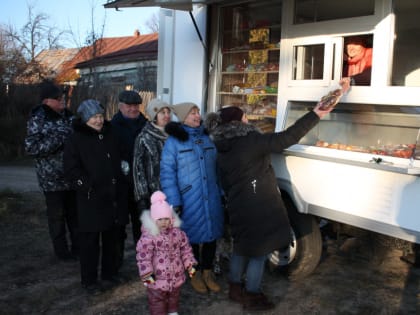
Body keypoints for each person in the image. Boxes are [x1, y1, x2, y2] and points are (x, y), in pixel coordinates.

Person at [205, 83, 347, 310]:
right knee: (259, 253)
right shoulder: (250, 141)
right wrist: (316, 114)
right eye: (244, 118)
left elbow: (224, 182)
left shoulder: (221, 146)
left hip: (238, 204)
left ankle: (234, 288)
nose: (248, 120)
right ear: (237, 122)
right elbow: (287, 138)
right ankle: (252, 295)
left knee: (241, 246)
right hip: (258, 204)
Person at [64, 99, 129, 292]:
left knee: (112, 238)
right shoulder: (76, 139)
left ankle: (109, 274)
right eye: (94, 117)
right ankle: (89, 280)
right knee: (90, 242)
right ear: (84, 119)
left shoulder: (111, 134)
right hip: (91, 199)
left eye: (100, 116)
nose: (98, 121)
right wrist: (86, 186)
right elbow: (70, 169)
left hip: (113, 196)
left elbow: (121, 155)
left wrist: (123, 170)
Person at [160, 102, 224, 294]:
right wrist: (174, 201)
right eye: (192, 113)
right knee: (192, 239)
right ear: (182, 118)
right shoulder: (174, 142)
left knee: (212, 235)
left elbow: (217, 168)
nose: (197, 116)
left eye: (198, 112)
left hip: (211, 196)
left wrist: (221, 192)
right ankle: (194, 274)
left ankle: (207, 272)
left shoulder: (207, 138)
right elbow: (167, 173)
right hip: (189, 198)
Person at [24, 80, 79, 261]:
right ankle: (61, 253)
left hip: (71, 176)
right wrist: (58, 140)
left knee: (75, 216)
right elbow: (31, 147)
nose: (62, 101)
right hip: (52, 179)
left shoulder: (69, 117)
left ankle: (78, 249)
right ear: (46, 101)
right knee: (57, 217)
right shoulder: (38, 118)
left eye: (63, 98)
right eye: (58, 98)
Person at [136, 190, 197, 315]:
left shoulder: (178, 234)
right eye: (160, 219)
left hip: (176, 277)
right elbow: (143, 257)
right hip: (156, 281)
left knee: (174, 299)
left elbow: (186, 249)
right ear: (153, 220)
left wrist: (190, 264)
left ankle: (172, 312)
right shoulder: (149, 237)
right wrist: (147, 275)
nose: (164, 222)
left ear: (171, 219)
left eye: (166, 219)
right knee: (157, 302)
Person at [111, 90, 148, 266]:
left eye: (136, 105)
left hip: (141, 185)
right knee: (118, 226)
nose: (133, 109)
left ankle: (144, 262)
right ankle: (116, 263)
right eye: (129, 105)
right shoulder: (112, 126)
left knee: (142, 225)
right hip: (120, 184)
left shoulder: (146, 125)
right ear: (120, 106)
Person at [133, 98, 173, 214]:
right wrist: (142, 197)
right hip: (155, 194)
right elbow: (138, 169)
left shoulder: (174, 135)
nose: (167, 115)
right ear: (154, 116)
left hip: (174, 191)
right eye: (162, 112)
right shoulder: (144, 138)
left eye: (168, 112)